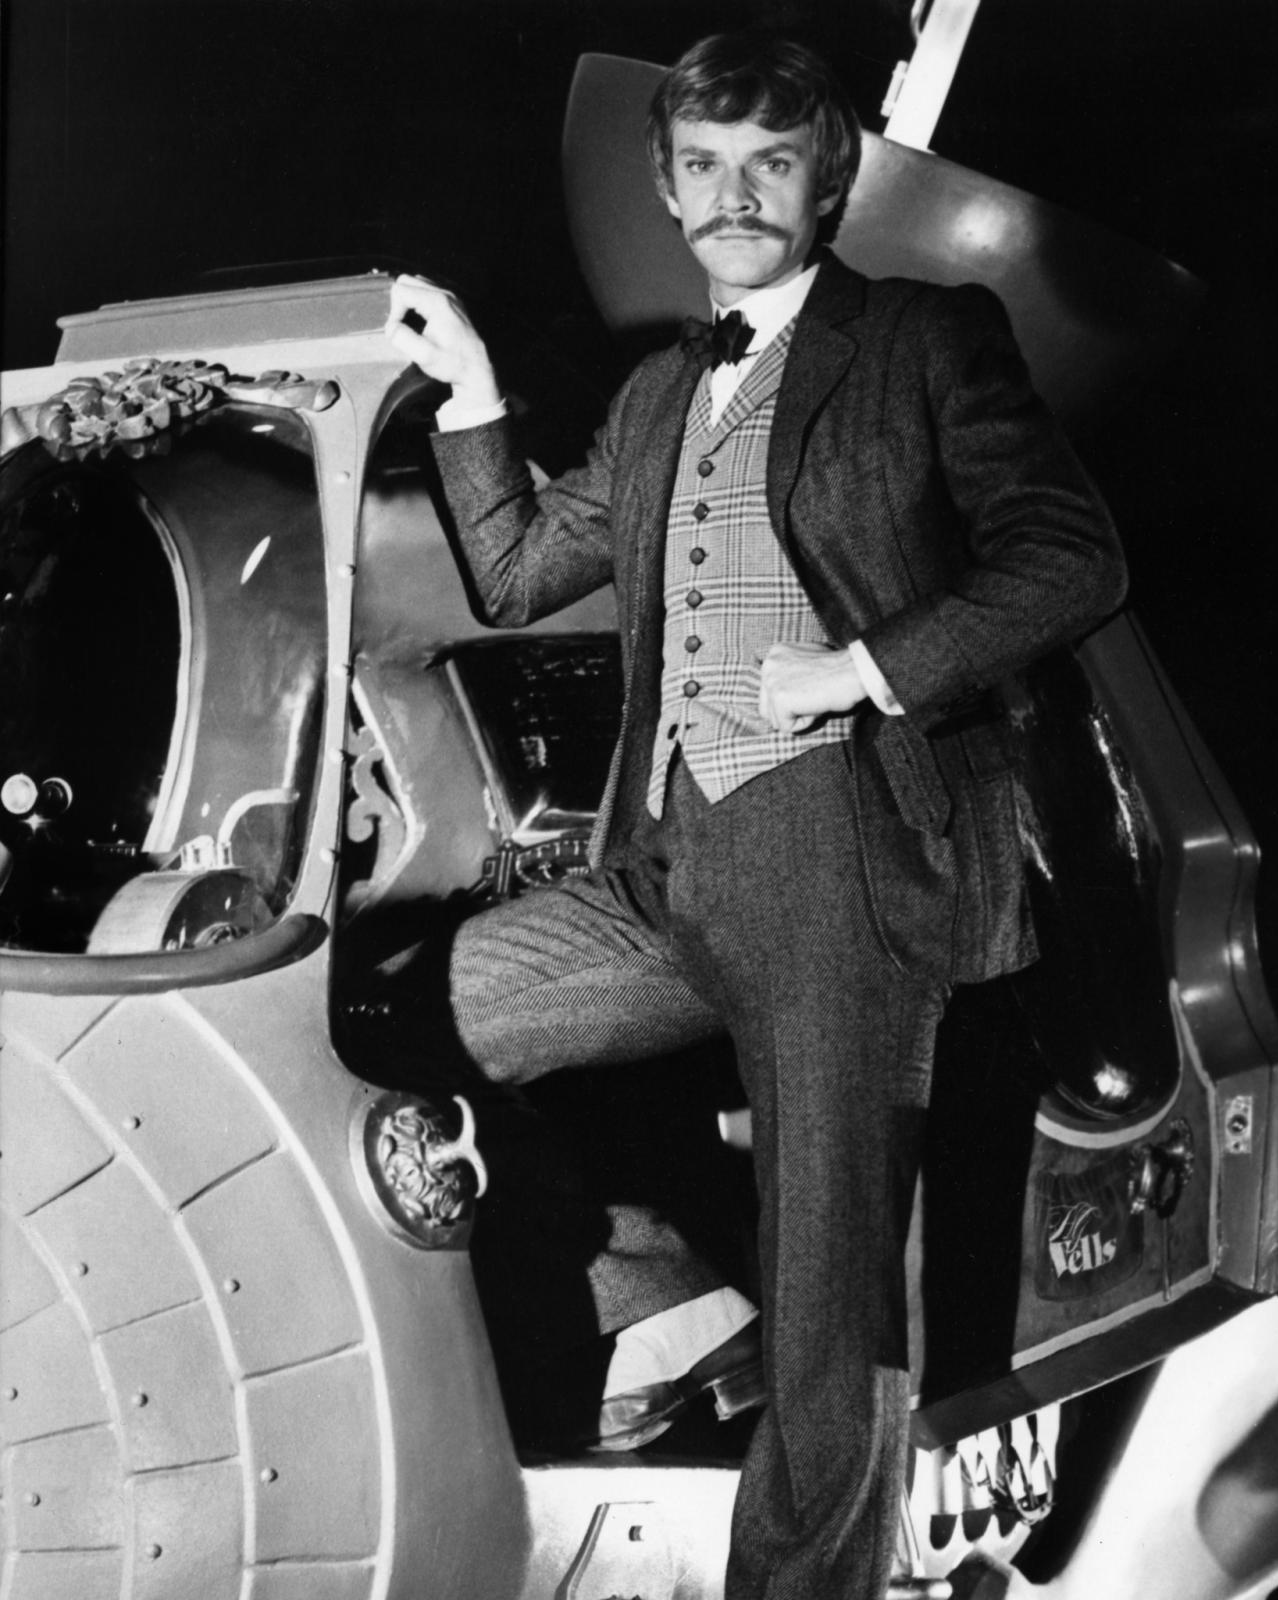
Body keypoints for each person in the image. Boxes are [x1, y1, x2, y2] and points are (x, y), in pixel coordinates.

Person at [385, 31, 1124, 1600]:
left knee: (830, 1290)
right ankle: (653, 1287)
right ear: (665, 190)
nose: (734, 198)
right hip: (665, 860)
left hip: (842, 852)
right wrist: (471, 388)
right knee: (399, 1022)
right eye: (703, 167)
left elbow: (1070, 560)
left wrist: (862, 668)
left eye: (770, 165)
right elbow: (514, 572)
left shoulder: (922, 340)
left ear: (826, 185)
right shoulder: (662, 392)